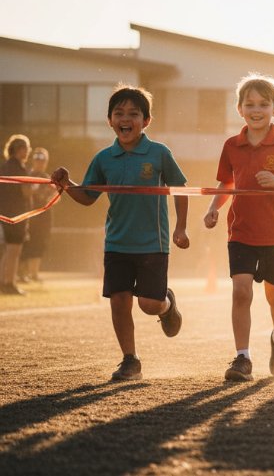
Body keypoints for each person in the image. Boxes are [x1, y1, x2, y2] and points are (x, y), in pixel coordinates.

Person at [50, 85, 189, 380]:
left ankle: (166, 305)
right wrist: (66, 183)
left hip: (153, 244)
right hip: (116, 243)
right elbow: (87, 196)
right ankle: (130, 360)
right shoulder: (104, 158)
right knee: (119, 301)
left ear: (146, 121)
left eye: (133, 114)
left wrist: (181, 227)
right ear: (110, 120)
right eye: (119, 113)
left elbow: (180, 188)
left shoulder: (159, 153)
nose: (126, 119)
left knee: (148, 304)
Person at [205, 73, 274, 382]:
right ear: (239, 109)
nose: (256, 110)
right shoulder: (232, 146)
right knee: (241, 292)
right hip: (241, 233)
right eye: (249, 104)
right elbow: (227, 183)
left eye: (264, 104)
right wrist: (213, 208)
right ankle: (243, 357)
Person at [0, 134, 32, 295]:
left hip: (4, 213)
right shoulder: (20, 168)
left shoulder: (4, 166)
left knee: (8, 249)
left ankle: (3, 281)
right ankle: (9, 283)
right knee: (14, 249)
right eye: (26, 148)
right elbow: (26, 192)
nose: (27, 152)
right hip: (17, 214)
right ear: (19, 149)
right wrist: (37, 189)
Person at [21, 147, 53, 283]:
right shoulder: (28, 175)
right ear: (33, 160)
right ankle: (22, 273)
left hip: (44, 215)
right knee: (27, 243)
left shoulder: (47, 178)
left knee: (40, 243)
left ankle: (34, 273)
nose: (40, 163)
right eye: (37, 159)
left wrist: (50, 197)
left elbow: (55, 196)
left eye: (43, 160)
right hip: (29, 214)